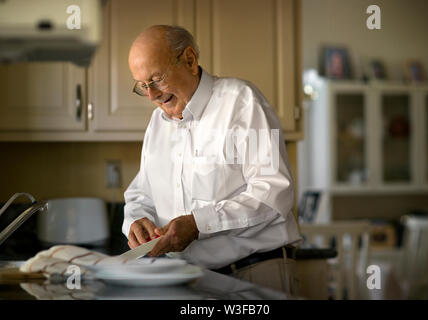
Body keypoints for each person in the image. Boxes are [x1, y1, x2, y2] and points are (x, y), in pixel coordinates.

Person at [122, 25, 301, 295]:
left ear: (190, 60)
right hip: (188, 281)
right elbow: (141, 194)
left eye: (157, 79)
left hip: (253, 273)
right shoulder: (157, 124)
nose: (151, 95)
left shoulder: (241, 102)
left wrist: (198, 225)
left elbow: (273, 193)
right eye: (142, 86)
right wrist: (137, 221)